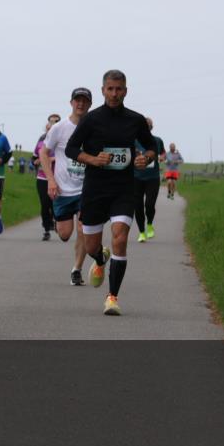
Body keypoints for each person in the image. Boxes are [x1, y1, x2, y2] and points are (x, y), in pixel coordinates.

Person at [65, 71, 156, 316]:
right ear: (103, 90)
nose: (115, 93)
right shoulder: (91, 119)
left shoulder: (135, 120)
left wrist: (144, 159)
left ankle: (112, 297)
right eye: (110, 89)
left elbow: (151, 148)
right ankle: (100, 258)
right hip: (95, 189)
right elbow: (71, 149)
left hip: (123, 189)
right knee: (92, 245)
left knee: (120, 238)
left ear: (126, 90)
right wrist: (93, 159)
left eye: (119, 89)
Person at [39, 91, 92, 285]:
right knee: (64, 234)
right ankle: (57, 220)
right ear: (71, 103)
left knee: (83, 229)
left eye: (85, 101)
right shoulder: (59, 128)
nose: (81, 104)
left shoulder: (94, 126)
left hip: (86, 188)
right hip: (62, 189)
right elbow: (44, 153)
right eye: (78, 100)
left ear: (90, 104)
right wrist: (51, 180)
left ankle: (76, 269)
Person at [134, 118, 165, 242]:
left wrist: (162, 157)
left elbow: (163, 153)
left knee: (149, 205)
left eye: (149, 126)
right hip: (136, 177)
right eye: (144, 126)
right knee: (138, 206)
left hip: (152, 177)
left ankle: (150, 224)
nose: (146, 128)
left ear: (152, 127)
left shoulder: (157, 140)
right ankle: (141, 232)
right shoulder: (134, 141)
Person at [34, 113, 62, 241]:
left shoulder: (62, 139)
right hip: (42, 177)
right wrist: (36, 161)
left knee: (54, 203)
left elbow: (67, 156)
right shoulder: (41, 139)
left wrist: (51, 158)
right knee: (44, 204)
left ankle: (56, 221)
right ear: (48, 124)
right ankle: (46, 229)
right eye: (51, 121)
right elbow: (35, 157)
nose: (53, 123)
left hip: (57, 177)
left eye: (56, 121)